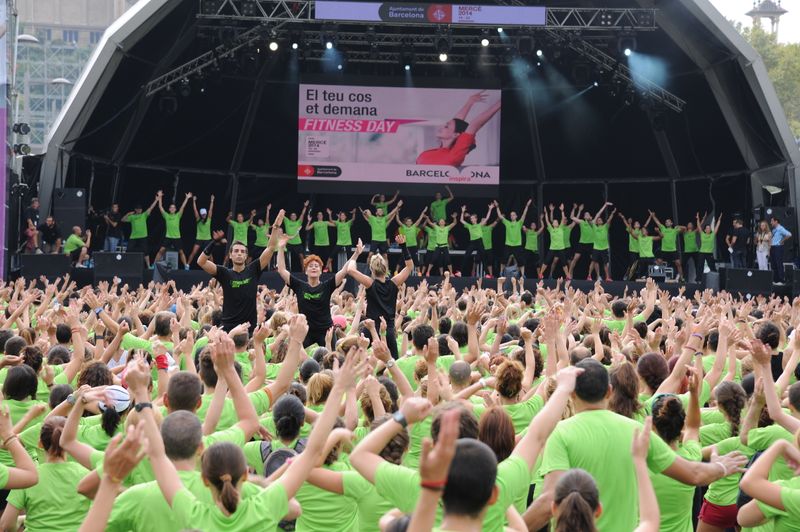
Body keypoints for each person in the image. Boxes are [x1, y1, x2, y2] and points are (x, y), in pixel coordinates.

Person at [523, 358, 748, 532]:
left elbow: (549, 501)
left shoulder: (561, 433)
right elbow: (693, 473)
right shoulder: (636, 431)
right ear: (609, 392)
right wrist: (721, 467)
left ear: (572, 393)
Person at [197, 210, 284, 332]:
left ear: (246, 256)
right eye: (236, 251)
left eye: (242, 252)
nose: (239, 254)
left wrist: (275, 227)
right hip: (227, 328)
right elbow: (201, 262)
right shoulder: (225, 273)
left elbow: (270, 248)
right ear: (230, 255)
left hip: (249, 328)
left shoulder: (253, 269)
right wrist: (214, 242)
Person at [0, 416, 90, 531]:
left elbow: (6, 525)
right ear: (72, 440)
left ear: (40, 444)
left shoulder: (26, 479)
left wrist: (20, 521)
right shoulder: (87, 474)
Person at [276, 230, 359, 347]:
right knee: (296, 358)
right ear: (306, 271)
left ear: (320, 270)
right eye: (310, 266)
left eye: (316, 266)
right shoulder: (299, 285)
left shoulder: (327, 285)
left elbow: (344, 270)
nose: (314, 268)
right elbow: (281, 270)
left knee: (331, 358)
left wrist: (355, 254)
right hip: (306, 330)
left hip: (325, 330)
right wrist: (280, 248)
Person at [347, 234, 414, 359]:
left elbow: (350, 270)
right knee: (393, 361)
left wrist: (356, 254)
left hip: (371, 327)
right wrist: (403, 246)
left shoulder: (370, 283)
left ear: (372, 270)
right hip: (388, 329)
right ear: (386, 268)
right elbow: (410, 267)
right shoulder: (394, 282)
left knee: (355, 358)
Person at [416, 91, 500, 167]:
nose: (441, 127)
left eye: (446, 127)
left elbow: (474, 125)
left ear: (456, 135)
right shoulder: (429, 152)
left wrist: (498, 104)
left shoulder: (455, 155)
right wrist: (469, 102)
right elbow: (455, 123)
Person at [154, 192, 192, 269]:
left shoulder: (178, 215)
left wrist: (187, 198)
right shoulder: (166, 216)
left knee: (181, 252)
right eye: (171, 207)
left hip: (177, 237)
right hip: (168, 237)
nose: (172, 208)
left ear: (175, 209)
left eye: (173, 208)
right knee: (161, 251)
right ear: (169, 209)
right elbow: (160, 207)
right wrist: (160, 197)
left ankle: (186, 266)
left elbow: (182, 207)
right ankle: (154, 265)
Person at [123, 192, 160, 268]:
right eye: (138, 209)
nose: (140, 210)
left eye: (140, 209)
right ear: (135, 210)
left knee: (146, 252)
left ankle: (149, 266)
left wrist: (156, 200)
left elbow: (151, 208)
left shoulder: (144, 215)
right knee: (128, 251)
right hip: (133, 236)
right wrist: (128, 213)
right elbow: (123, 220)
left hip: (143, 236)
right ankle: (126, 265)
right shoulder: (132, 217)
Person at [497, 199, 533, 277]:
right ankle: (501, 272)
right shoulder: (507, 223)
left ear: (516, 216)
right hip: (508, 244)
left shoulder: (519, 223)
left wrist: (527, 206)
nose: (512, 216)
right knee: (504, 259)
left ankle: (523, 274)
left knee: (521, 261)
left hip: (517, 245)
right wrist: (497, 207)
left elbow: (524, 214)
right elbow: (500, 216)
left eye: (513, 215)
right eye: (511, 215)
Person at [361, 202, 402, 266]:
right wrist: (365, 211)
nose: (380, 211)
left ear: (383, 213)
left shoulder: (384, 219)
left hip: (383, 240)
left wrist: (397, 206)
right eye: (379, 210)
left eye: (381, 211)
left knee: (385, 256)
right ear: (376, 213)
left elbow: (391, 214)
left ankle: (386, 272)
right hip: (375, 240)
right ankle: (367, 270)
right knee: (370, 255)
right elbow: (366, 212)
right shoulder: (372, 218)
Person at [539, 203, 571, 280]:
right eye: (554, 222)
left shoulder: (561, 227)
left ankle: (567, 275)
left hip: (561, 248)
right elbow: (547, 221)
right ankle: (540, 273)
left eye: (557, 222)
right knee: (546, 261)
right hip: (552, 248)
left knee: (564, 263)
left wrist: (562, 211)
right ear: (552, 224)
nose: (556, 222)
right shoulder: (551, 229)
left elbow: (563, 219)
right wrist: (546, 213)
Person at [651, 210, 685, 281]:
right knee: (658, 262)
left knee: (678, 263)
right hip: (664, 250)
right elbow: (657, 222)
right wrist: (653, 216)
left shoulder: (675, 230)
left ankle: (681, 278)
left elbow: (684, 228)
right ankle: (653, 277)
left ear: (671, 223)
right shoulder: (663, 228)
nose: (667, 222)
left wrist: (679, 226)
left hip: (673, 250)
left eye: (668, 221)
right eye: (666, 222)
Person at [588, 203, 616, 282]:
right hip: (596, 247)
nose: (599, 220)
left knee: (605, 263)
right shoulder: (594, 227)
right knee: (593, 262)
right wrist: (604, 205)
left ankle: (607, 277)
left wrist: (612, 213)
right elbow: (595, 217)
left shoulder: (605, 227)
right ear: (596, 222)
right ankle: (589, 276)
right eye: (598, 220)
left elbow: (609, 220)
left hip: (604, 247)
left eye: (600, 220)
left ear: (602, 221)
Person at [186, 194, 216, 268]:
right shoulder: (198, 220)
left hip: (207, 239)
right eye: (202, 214)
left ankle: (214, 268)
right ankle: (187, 265)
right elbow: (195, 210)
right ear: (201, 214)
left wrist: (212, 201)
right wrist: (194, 201)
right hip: (199, 238)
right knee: (194, 252)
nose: (204, 215)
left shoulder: (208, 219)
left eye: (204, 214)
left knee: (210, 255)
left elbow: (210, 210)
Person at [397, 206, 428, 276]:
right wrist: (397, 213)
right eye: (407, 221)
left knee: (415, 259)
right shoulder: (404, 227)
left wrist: (423, 212)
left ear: (411, 222)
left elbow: (420, 219)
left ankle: (419, 273)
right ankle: (396, 271)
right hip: (406, 246)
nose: (408, 222)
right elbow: (398, 220)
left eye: (410, 221)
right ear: (406, 223)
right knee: (402, 258)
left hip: (413, 246)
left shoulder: (414, 226)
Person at [283, 201, 309, 272]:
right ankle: (285, 270)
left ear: (296, 217)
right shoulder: (287, 221)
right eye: (292, 215)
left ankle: (303, 271)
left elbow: (302, 214)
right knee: (284, 256)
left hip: (297, 243)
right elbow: (281, 215)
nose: (293, 216)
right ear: (290, 217)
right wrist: (282, 211)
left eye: (294, 216)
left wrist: (305, 206)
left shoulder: (298, 222)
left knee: (301, 256)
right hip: (288, 242)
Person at [695, 212, 723, 278]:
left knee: (712, 266)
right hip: (702, 252)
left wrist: (719, 220)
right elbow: (699, 226)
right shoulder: (702, 234)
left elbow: (717, 227)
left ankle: (716, 278)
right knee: (700, 266)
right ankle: (698, 279)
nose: (708, 229)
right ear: (704, 230)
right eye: (707, 228)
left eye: (709, 228)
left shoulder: (712, 235)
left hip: (709, 253)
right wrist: (698, 219)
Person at [769, 216, 792, 283]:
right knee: (773, 264)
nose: (771, 223)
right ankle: (776, 280)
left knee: (779, 263)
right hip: (773, 247)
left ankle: (781, 280)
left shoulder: (780, 228)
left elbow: (789, 234)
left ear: (776, 221)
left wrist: (782, 241)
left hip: (778, 248)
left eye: (772, 221)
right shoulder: (774, 229)